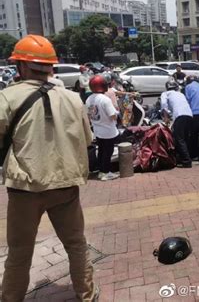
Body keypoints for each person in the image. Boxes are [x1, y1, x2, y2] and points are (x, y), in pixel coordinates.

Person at [0, 35, 97, 301]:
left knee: (19, 253)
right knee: (76, 245)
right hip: (66, 186)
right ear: (50, 67)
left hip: (25, 188)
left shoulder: (7, 97)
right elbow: (87, 139)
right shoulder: (73, 98)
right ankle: (86, 294)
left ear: (20, 65)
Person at [86, 75, 120, 181]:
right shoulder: (105, 99)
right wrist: (118, 113)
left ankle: (101, 170)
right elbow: (112, 115)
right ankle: (105, 172)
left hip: (97, 130)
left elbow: (90, 115)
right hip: (108, 131)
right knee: (107, 152)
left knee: (101, 151)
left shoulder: (89, 99)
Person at [161, 80, 193, 168]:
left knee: (179, 139)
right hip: (189, 114)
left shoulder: (165, 94)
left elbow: (164, 104)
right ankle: (185, 158)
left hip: (179, 115)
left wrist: (166, 117)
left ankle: (186, 161)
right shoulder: (180, 94)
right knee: (185, 139)